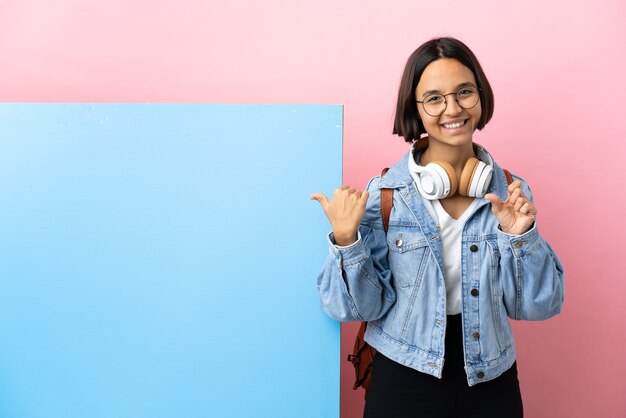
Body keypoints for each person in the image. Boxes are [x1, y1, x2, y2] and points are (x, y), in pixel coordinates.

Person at [310, 37, 564, 418]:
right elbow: (354, 308)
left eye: (464, 92)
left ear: (481, 95)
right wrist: (347, 241)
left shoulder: (510, 191)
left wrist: (521, 237)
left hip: (490, 376)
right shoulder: (385, 194)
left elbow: (538, 306)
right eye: (434, 98)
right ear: (415, 107)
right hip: (403, 375)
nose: (453, 108)